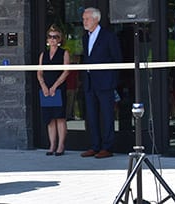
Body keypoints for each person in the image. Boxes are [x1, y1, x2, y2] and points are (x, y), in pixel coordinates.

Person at [80, 7, 122, 159]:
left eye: (87, 19)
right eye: (83, 19)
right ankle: (95, 145)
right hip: (90, 82)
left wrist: (113, 81)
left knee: (106, 115)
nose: (84, 21)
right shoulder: (85, 37)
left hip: (105, 82)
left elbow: (117, 58)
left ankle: (107, 147)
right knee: (91, 116)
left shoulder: (108, 36)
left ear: (96, 19)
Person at [37, 25, 70, 156]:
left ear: (60, 39)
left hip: (59, 88)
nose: (52, 39)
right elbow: (39, 72)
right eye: (50, 37)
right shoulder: (43, 54)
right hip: (45, 89)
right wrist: (44, 86)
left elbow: (66, 71)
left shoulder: (64, 53)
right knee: (49, 118)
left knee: (60, 117)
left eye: (55, 37)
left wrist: (55, 86)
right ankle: (52, 145)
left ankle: (61, 145)